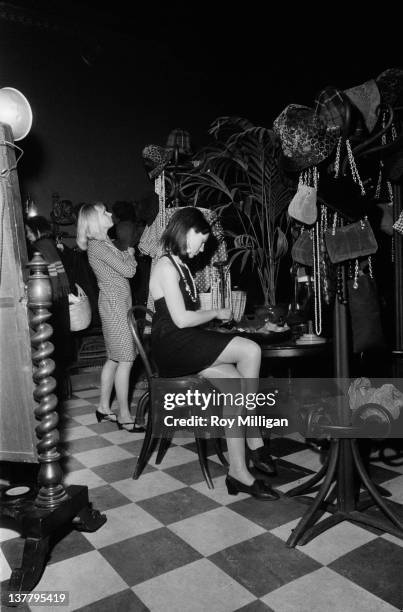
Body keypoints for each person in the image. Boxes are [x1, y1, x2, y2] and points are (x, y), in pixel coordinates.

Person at [149, 207, 279, 500]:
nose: (203, 247)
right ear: (188, 231)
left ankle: (238, 473)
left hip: (184, 342)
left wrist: (211, 324)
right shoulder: (165, 267)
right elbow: (181, 320)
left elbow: (188, 319)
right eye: (202, 240)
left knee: (234, 389)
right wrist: (217, 312)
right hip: (173, 346)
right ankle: (255, 437)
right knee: (251, 350)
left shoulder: (181, 266)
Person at [76, 202, 138, 430]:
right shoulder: (99, 247)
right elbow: (129, 271)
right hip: (115, 305)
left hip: (116, 303)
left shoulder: (104, 243)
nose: (111, 213)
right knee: (126, 360)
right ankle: (124, 415)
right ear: (94, 221)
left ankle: (103, 407)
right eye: (104, 212)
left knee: (113, 358)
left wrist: (124, 254)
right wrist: (130, 254)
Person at [25, 215, 73, 399]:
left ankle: (56, 395)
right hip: (59, 302)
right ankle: (61, 393)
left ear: (37, 230)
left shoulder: (39, 247)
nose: (28, 235)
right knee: (58, 352)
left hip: (50, 303)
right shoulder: (51, 244)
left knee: (51, 352)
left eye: (29, 231)